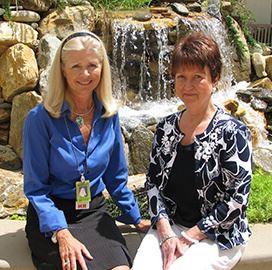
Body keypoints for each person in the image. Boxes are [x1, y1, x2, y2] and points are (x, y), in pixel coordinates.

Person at [23, 31, 149, 270]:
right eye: (76, 66)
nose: (85, 74)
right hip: (51, 216)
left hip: (92, 212)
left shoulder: (108, 113)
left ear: (103, 68)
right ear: (62, 70)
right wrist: (61, 233)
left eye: (92, 65)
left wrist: (134, 218)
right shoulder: (39, 119)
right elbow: (36, 189)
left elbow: (116, 177)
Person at [132, 32, 252, 270]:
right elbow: (153, 185)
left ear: (215, 78)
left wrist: (191, 236)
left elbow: (237, 200)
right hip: (171, 227)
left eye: (198, 77)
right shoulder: (166, 128)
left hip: (218, 234)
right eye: (181, 77)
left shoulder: (233, 132)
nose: (188, 86)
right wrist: (165, 231)